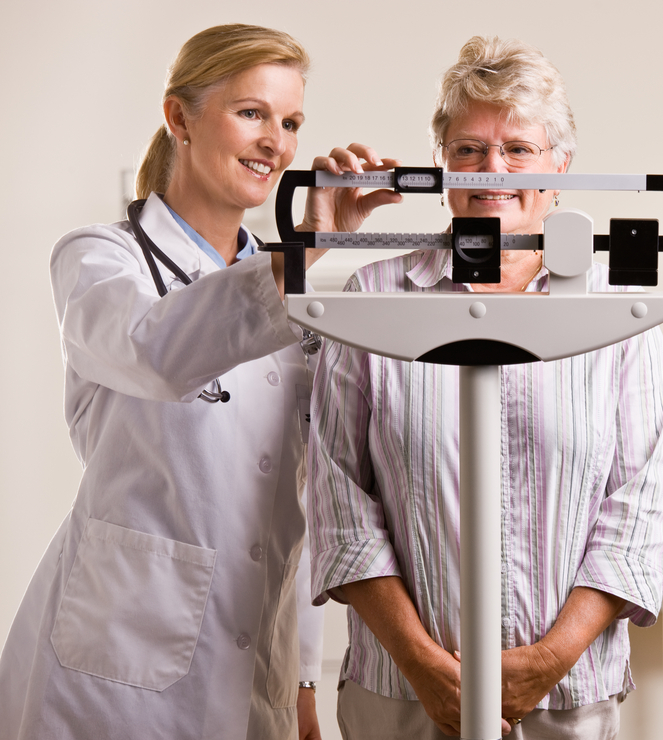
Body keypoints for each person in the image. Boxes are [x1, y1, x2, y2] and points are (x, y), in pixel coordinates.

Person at [0, 24, 400, 740]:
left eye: (291, 122)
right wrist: (304, 258)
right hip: (108, 677)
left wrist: (303, 678)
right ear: (179, 117)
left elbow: (300, 505)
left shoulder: (291, 296)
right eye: (252, 112)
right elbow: (153, 350)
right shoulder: (101, 260)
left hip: (257, 668)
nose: (275, 141)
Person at [308, 36, 663, 739]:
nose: (491, 169)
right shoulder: (374, 296)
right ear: (442, 163)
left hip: (568, 697)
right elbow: (338, 501)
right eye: (469, 149)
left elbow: (637, 510)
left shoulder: (617, 311)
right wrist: (424, 667)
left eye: (518, 149)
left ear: (560, 168)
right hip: (402, 695)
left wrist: (546, 662)